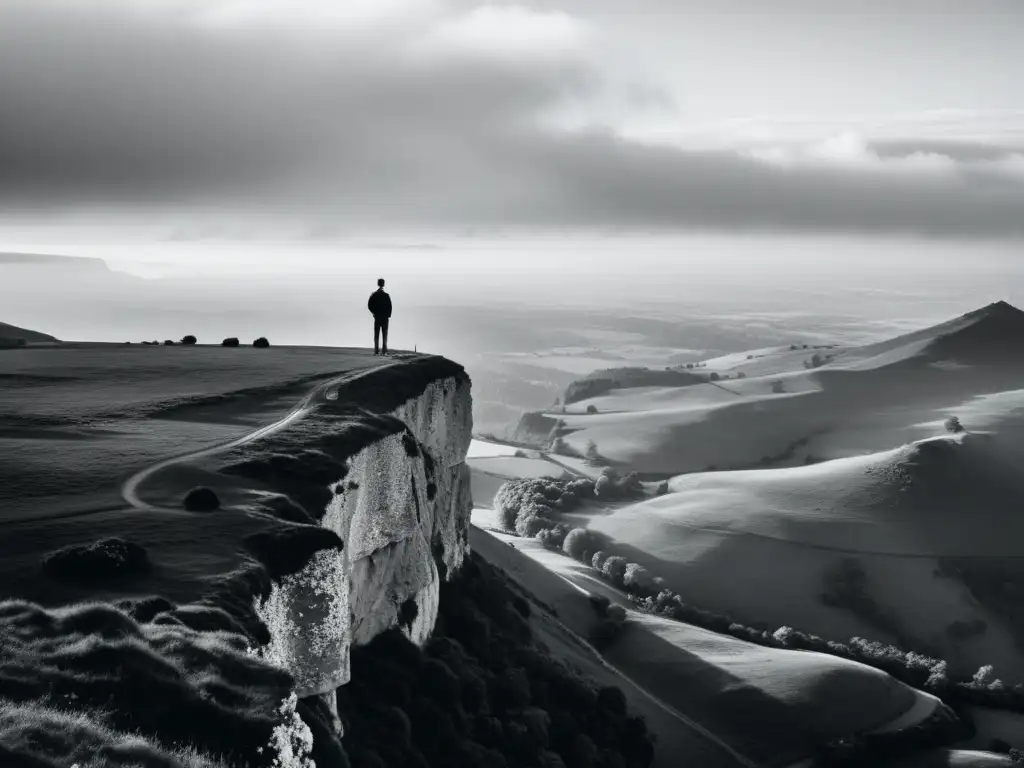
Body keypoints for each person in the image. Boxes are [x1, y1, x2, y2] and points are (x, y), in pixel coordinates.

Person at [367, 278, 392, 355]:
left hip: (377, 317)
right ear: (383, 284)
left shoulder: (374, 295)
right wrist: (388, 315)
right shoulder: (386, 295)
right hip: (384, 317)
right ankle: (384, 351)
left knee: (376, 335)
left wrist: (374, 313)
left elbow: (369, 305)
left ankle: (376, 351)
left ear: (378, 284)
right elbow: (390, 306)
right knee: (384, 335)